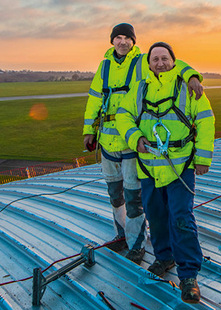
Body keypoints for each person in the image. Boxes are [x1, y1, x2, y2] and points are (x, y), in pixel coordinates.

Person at [82, 23, 203, 264]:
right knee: (115, 194)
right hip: (107, 141)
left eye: (127, 38)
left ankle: (136, 245)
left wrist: (191, 76)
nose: (122, 42)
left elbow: (171, 64)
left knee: (133, 196)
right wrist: (88, 130)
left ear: (133, 42)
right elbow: (95, 98)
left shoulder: (141, 62)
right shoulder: (104, 66)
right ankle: (122, 235)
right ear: (112, 41)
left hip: (131, 141)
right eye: (118, 37)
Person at [115, 42, 214, 303]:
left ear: (173, 61)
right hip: (149, 168)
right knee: (156, 217)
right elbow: (123, 115)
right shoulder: (140, 88)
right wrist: (134, 137)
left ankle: (188, 275)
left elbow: (205, 120)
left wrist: (203, 158)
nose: (160, 63)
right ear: (149, 64)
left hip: (180, 167)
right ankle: (164, 257)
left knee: (181, 218)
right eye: (155, 59)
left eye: (165, 58)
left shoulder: (188, 87)